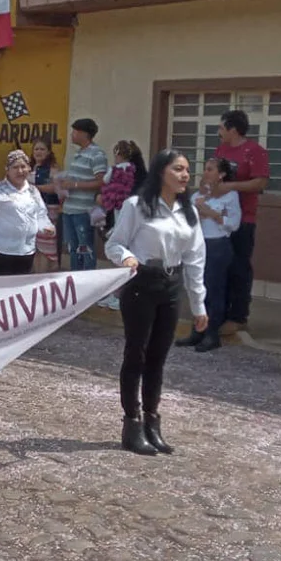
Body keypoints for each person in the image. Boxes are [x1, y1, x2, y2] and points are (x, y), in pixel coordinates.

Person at [105, 150, 207, 457]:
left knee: (158, 357)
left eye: (188, 170)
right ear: (161, 172)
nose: (185, 175)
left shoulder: (189, 210)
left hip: (171, 286)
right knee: (136, 353)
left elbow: (195, 258)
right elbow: (114, 242)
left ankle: (152, 421)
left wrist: (199, 304)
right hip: (141, 284)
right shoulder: (137, 206)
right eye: (178, 169)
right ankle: (132, 423)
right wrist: (126, 257)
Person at [215, 110, 269, 337]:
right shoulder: (221, 150)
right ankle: (220, 312)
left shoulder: (255, 151)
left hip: (243, 219)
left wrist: (231, 187)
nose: (218, 132)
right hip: (220, 217)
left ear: (233, 129)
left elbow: (259, 182)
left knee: (239, 267)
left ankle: (238, 317)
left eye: (221, 128)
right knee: (221, 266)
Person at [177, 157, 240, 353]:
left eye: (210, 169)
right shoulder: (199, 195)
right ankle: (197, 330)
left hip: (217, 245)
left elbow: (234, 223)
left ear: (221, 174)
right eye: (205, 169)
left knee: (214, 290)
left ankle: (212, 333)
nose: (206, 173)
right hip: (198, 244)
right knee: (197, 288)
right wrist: (196, 208)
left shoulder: (230, 195)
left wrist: (212, 213)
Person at [0, 149, 53, 276]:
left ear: (29, 168)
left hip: (27, 251)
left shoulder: (33, 191)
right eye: (15, 167)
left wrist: (47, 227)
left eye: (23, 167)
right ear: (7, 169)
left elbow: (40, 215)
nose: (20, 171)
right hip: (2, 252)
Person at [58, 119, 108, 272]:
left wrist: (74, 185)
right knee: (73, 248)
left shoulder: (97, 154)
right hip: (70, 209)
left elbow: (101, 182)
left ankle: (87, 280)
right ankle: (74, 279)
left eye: (74, 131)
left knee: (85, 248)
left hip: (84, 211)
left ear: (84, 134)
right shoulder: (79, 153)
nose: (72, 135)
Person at [31, 137, 61, 270]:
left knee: (46, 244)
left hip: (49, 209)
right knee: (34, 244)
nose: (39, 152)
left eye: (42, 149)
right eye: (36, 149)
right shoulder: (29, 167)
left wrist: (35, 188)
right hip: (31, 211)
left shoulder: (53, 169)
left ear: (48, 152)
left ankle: (44, 273)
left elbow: (56, 187)